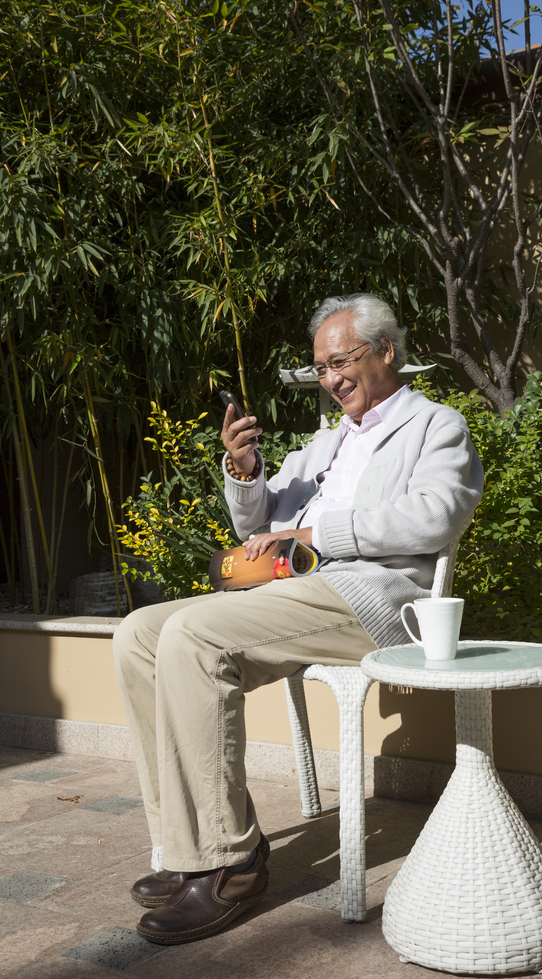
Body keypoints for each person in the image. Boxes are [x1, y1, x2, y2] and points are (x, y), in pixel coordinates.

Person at [113, 293, 484, 946]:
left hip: (375, 598)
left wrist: (317, 531)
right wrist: (245, 471)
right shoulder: (326, 443)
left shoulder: (436, 426)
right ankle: (189, 844)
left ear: (385, 352)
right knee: (138, 633)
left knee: (193, 635)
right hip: (298, 592)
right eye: (321, 368)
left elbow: (435, 517)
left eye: (341, 361)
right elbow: (257, 526)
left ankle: (226, 864)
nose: (331, 378)